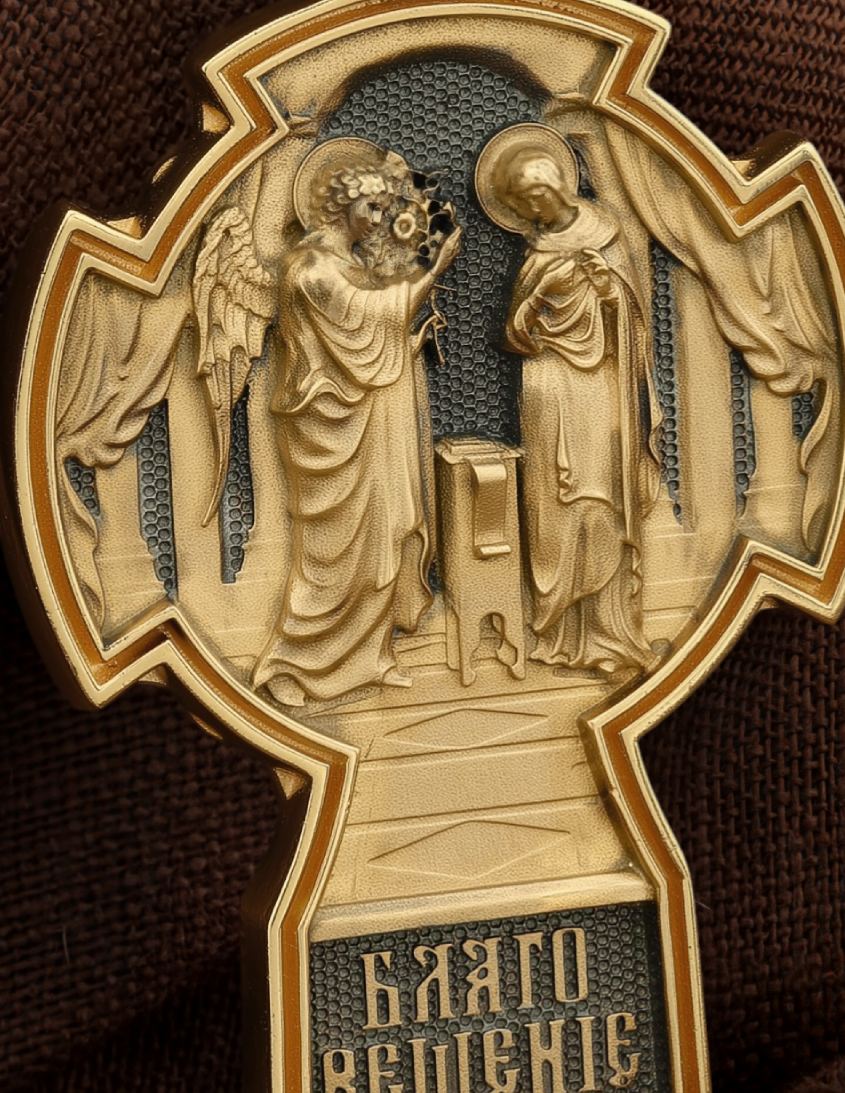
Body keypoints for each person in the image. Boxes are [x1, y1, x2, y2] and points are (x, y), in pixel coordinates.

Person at [254, 151, 460, 707]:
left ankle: (371, 657)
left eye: (383, 208)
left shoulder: (350, 263)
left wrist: (407, 344)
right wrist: (433, 269)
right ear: (339, 207)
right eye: (370, 207)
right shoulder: (310, 269)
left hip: (370, 417)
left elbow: (370, 342)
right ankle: (295, 665)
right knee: (334, 557)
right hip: (331, 429)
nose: (377, 219)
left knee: (382, 539)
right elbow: (364, 326)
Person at [482, 129, 660, 676]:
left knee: (599, 497)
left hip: (599, 387)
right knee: (552, 507)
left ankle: (610, 632)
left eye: (533, 197)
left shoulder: (607, 236)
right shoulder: (536, 253)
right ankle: (558, 632)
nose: (530, 210)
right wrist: (538, 296)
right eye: (520, 202)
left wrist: (608, 290)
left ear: (555, 185)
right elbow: (514, 334)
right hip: (547, 386)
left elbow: (633, 325)